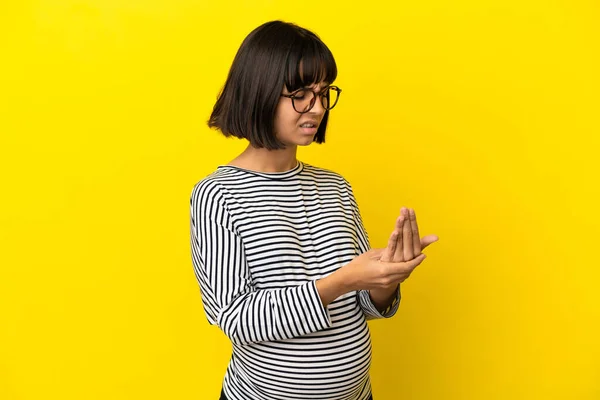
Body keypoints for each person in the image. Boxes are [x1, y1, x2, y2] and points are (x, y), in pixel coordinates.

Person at [189, 20, 439, 400]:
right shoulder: (218, 196)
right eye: (301, 93)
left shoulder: (335, 187)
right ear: (260, 90)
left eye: (324, 93)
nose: (317, 107)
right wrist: (342, 280)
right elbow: (237, 319)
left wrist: (385, 282)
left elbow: (362, 304)